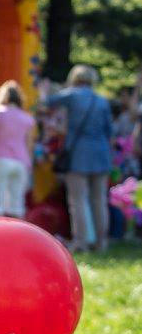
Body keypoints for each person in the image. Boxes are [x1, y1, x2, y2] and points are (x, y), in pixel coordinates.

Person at [39, 66, 114, 252]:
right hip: (101, 155)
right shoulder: (102, 101)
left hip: (79, 154)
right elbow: (109, 131)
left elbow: (46, 103)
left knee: (78, 200)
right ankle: (102, 242)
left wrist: (43, 90)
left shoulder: (71, 95)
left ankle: (81, 242)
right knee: (99, 200)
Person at [0, 81, 35, 219]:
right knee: (17, 204)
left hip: (0, 159)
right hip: (21, 162)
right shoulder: (27, 118)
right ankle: (16, 236)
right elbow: (29, 144)